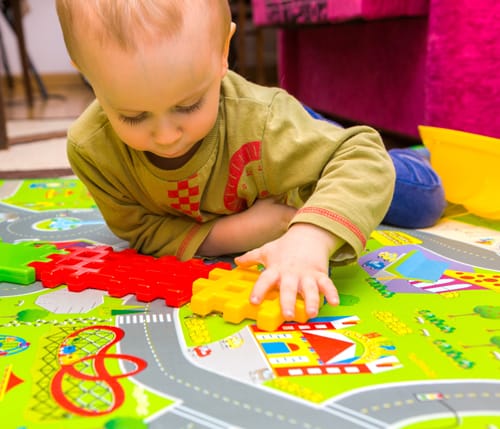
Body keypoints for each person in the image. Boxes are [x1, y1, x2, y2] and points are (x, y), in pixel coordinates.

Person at [55, 0, 398, 321]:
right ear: (88, 75)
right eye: (133, 116)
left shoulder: (265, 121)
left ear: (223, 52)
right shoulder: (91, 151)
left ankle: (412, 158)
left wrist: (310, 237)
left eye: (187, 105)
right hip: (266, 156)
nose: (166, 136)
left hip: (279, 140)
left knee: (414, 199)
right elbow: (143, 230)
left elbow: (362, 155)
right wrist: (245, 231)